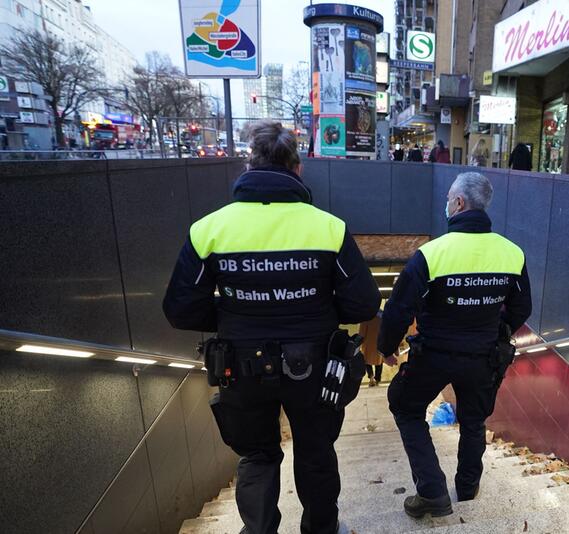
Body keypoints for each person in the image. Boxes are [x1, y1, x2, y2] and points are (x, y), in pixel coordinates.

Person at [163, 121, 381, 534]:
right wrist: (314, 309)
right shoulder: (328, 228)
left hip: (241, 368)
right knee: (316, 453)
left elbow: (180, 310)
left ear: (249, 163)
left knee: (258, 456)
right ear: (296, 168)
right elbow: (365, 303)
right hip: (315, 369)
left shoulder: (209, 229)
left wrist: (234, 314)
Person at [378, 172, 532, 518]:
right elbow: (523, 307)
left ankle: (432, 490)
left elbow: (399, 308)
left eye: (449, 199)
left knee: (405, 406)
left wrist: (386, 348)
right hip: (483, 357)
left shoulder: (431, 254)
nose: (447, 204)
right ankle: (467, 489)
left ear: (459, 203)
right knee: (474, 421)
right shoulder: (512, 253)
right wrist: (495, 329)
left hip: (433, 354)